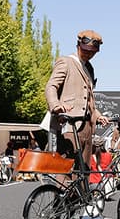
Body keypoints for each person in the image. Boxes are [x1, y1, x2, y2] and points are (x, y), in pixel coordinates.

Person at [44, 30, 109, 168]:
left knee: (84, 170)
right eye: (85, 50)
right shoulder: (66, 62)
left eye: (92, 52)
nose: (88, 54)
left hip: (87, 127)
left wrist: (98, 116)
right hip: (70, 124)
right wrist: (55, 105)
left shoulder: (89, 68)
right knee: (67, 168)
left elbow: (88, 100)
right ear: (78, 45)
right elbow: (51, 86)